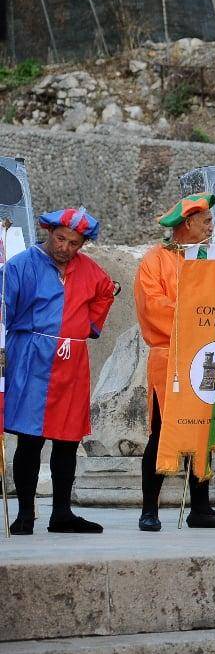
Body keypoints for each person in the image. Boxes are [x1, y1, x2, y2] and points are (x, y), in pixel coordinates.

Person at [2, 208, 116, 534]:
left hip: (72, 360)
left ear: (82, 245)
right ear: (49, 231)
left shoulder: (89, 270)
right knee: (30, 438)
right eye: (60, 238)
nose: (64, 247)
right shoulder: (22, 264)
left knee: (67, 440)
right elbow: (3, 301)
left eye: (74, 243)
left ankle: (62, 514)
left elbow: (107, 291)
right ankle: (25, 514)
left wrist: (90, 326)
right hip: (32, 356)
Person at [135, 193, 215, 531]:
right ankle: (149, 509)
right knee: (161, 433)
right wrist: (195, 316)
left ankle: (200, 507)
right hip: (170, 356)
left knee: (202, 430)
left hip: (204, 355)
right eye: (206, 222)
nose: (211, 227)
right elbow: (153, 307)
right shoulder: (154, 261)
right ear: (187, 224)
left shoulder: (209, 259)